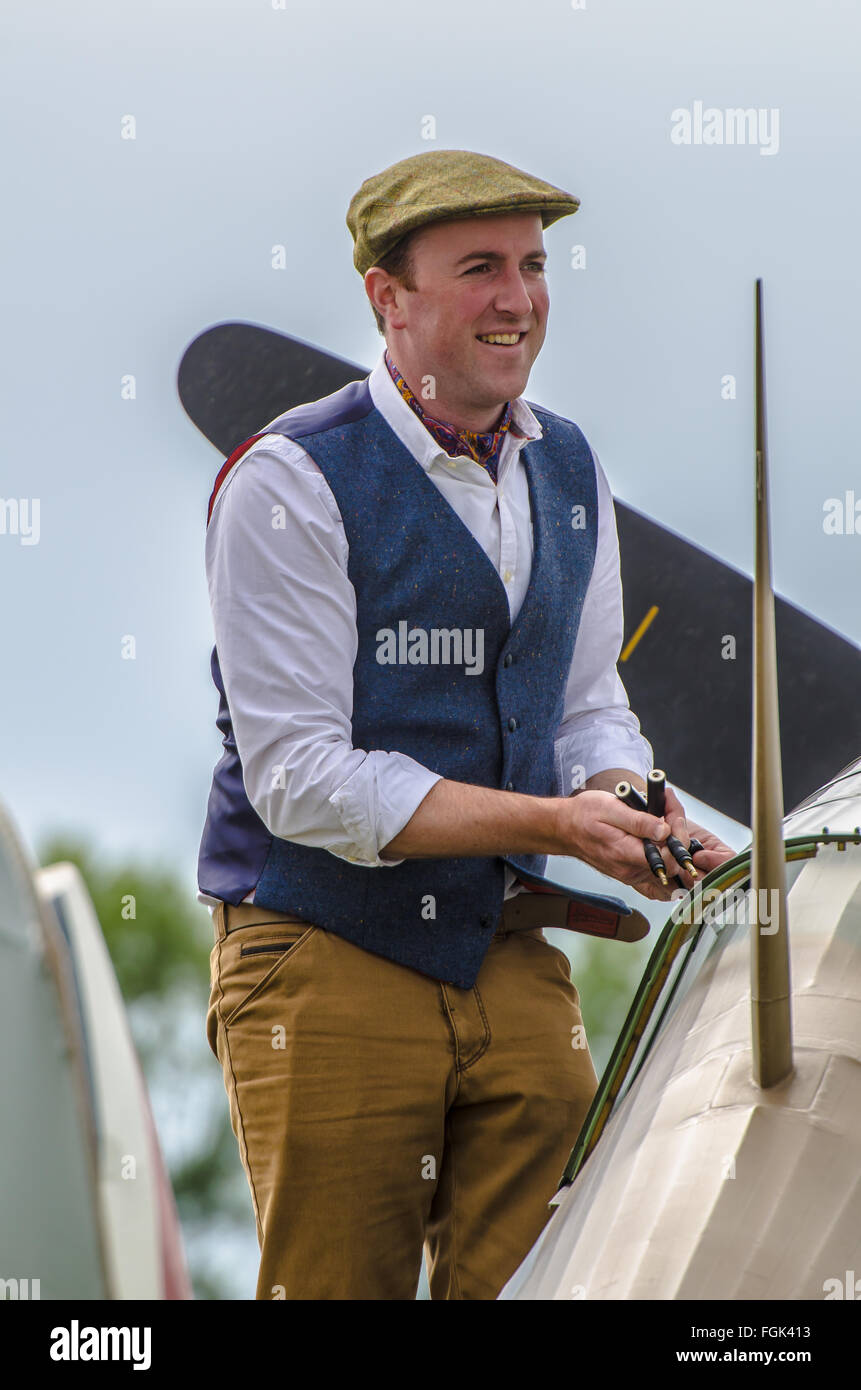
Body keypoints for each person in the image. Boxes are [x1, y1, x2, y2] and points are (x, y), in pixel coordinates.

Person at [198, 148, 734, 1301]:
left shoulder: (572, 466)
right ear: (388, 300)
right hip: (321, 949)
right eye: (481, 266)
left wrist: (630, 802)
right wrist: (554, 816)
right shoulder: (288, 481)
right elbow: (299, 779)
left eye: (534, 265)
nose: (519, 298)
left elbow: (589, 702)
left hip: (506, 951)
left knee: (556, 1282)